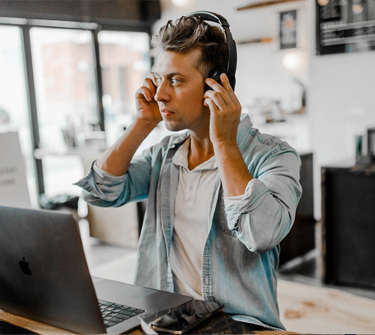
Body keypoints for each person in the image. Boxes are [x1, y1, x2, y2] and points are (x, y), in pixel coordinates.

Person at [75, 14, 302, 330]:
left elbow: (261, 234)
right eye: (159, 79)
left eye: (176, 80)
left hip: (237, 326)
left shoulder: (274, 156)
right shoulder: (164, 156)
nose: (160, 95)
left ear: (218, 85)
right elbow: (97, 192)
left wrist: (223, 141)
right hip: (162, 321)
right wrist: (143, 124)